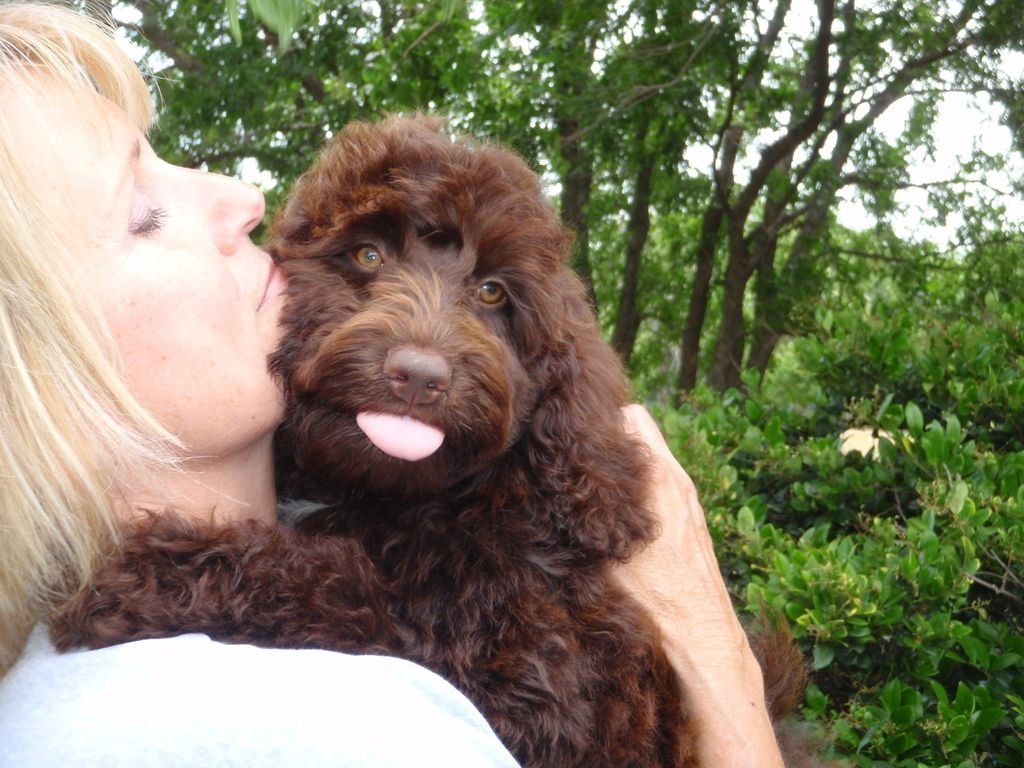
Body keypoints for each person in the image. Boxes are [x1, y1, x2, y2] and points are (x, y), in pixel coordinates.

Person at [0, 3, 786, 766]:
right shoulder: (346, 728)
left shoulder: (496, 547)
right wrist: (721, 669)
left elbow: (513, 679)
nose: (245, 198)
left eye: (490, 296)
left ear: (551, 372)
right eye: (142, 214)